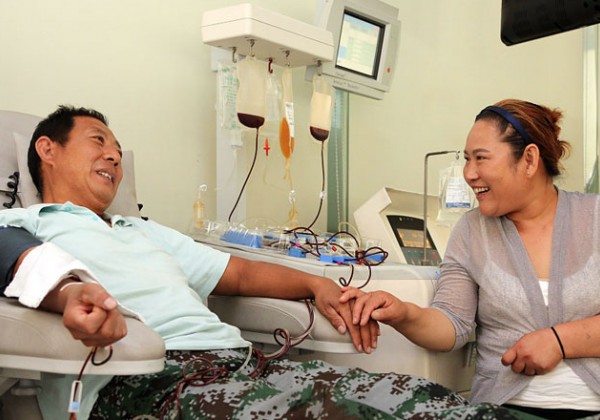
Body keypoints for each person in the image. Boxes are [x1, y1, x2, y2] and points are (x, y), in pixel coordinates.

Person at [0, 105, 527, 419]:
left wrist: (314, 286)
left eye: (117, 148)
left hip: (239, 363)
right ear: (47, 149)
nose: (114, 156)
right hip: (148, 378)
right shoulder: (24, 224)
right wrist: (71, 294)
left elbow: (238, 273)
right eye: (98, 142)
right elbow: (20, 264)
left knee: (411, 396)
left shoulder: (140, 229)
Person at [341, 99, 600, 419]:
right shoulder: (472, 230)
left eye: (481, 158)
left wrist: (559, 342)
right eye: (466, 159)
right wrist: (403, 313)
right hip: (501, 410)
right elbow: (452, 323)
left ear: (530, 160)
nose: (469, 173)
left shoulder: (595, 217)